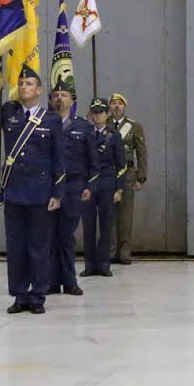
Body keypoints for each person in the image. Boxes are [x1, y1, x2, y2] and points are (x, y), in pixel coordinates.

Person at [0, 67, 64, 313]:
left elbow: (59, 159)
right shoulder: (9, 111)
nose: (23, 87)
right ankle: (20, 295)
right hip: (15, 191)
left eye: (29, 83)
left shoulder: (51, 119)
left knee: (38, 247)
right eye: (20, 83)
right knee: (17, 246)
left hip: (41, 193)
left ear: (39, 90)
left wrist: (57, 193)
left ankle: (38, 296)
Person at [46, 85, 95, 296]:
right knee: (49, 236)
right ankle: (52, 282)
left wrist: (90, 186)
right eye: (55, 96)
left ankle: (70, 281)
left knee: (66, 236)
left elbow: (93, 160)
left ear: (72, 101)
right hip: (48, 188)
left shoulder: (83, 127)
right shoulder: (43, 123)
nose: (59, 99)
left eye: (63, 95)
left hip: (73, 188)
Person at [81, 98, 125, 277]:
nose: (97, 115)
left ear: (107, 114)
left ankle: (104, 264)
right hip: (89, 184)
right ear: (90, 114)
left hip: (107, 183)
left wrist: (119, 189)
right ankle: (90, 265)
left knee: (106, 225)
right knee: (88, 226)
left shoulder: (114, 136)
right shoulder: (84, 134)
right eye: (94, 112)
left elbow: (121, 165)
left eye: (101, 112)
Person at [108, 93, 147, 264]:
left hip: (128, 174)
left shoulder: (134, 127)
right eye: (114, 103)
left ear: (125, 107)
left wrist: (141, 177)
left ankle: (124, 253)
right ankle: (109, 252)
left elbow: (142, 153)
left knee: (125, 215)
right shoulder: (104, 124)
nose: (116, 106)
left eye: (120, 103)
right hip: (107, 174)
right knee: (108, 215)